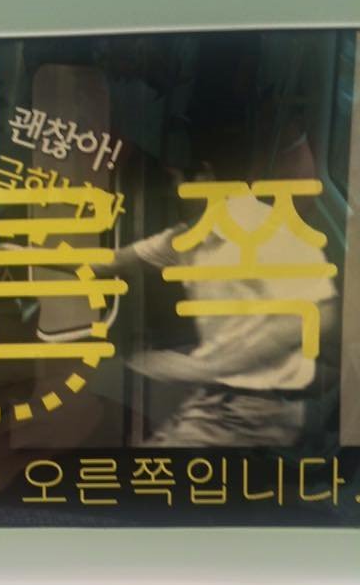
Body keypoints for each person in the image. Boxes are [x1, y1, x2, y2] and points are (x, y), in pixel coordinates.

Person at [105, 139, 338, 447]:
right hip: (214, 402)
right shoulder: (186, 236)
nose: (169, 192)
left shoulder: (266, 228)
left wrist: (203, 368)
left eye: (174, 180)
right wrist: (39, 251)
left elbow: (319, 315)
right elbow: (114, 262)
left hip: (252, 410)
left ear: (205, 176)